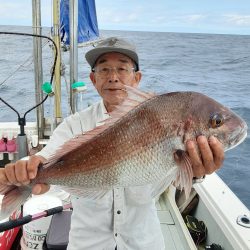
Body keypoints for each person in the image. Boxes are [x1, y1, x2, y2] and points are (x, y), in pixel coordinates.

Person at [0, 37, 224, 250]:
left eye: (123, 68)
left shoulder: (164, 122)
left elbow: (180, 176)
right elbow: (46, 158)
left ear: (137, 78)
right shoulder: (74, 125)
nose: (113, 77)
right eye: (104, 69)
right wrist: (30, 167)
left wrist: (196, 172)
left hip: (143, 242)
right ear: (93, 79)